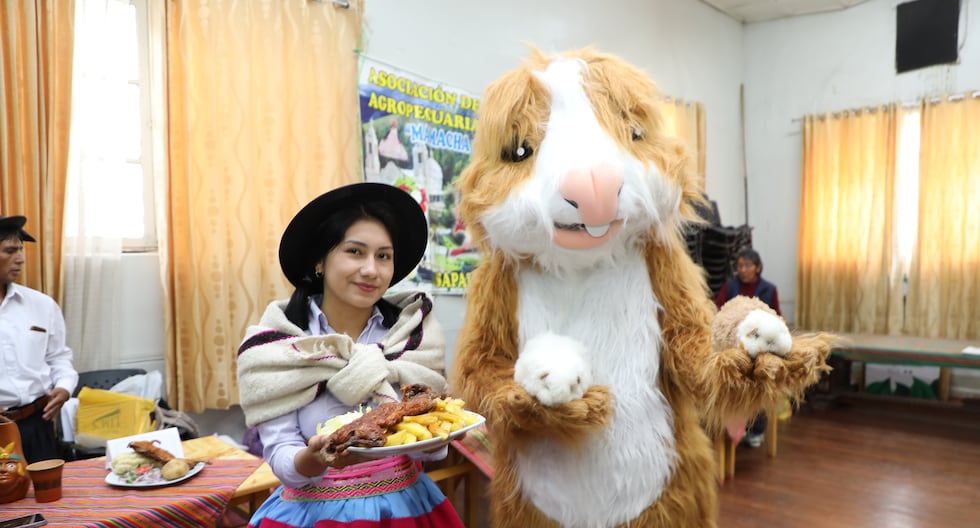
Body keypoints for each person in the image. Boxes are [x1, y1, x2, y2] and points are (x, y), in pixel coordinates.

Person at [236, 183, 464, 528]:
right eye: (355, 252)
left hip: (408, 511)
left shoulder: (412, 335)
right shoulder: (278, 348)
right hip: (313, 515)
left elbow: (426, 447)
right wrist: (313, 461)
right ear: (319, 261)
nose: (372, 270)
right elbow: (281, 457)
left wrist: (440, 433)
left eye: (383, 256)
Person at [0, 215, 78, 464]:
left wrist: (64, 387)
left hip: (38, 424)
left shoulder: (41, 305)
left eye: (21, 251)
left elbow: (58, 357)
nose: (21, 259)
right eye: (10, 251)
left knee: (47, 500)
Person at [714, 247, 781, 448]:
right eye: (740, 266)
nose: (742, 269)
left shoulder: (769, 289)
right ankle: (733, 428)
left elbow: (776, 316)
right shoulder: (731, 286)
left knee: (758, 383)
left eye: (747, 265)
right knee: (732, 384)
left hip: (760, 346)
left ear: (757, 267)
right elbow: (718, 308)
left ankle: (757, 429)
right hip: (733, 344)